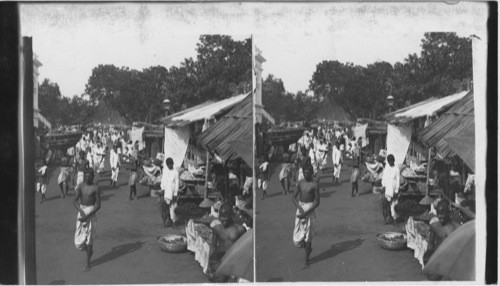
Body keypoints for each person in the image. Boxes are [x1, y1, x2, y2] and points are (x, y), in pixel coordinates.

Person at [209, 202, 247, 282]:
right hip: (221, 262)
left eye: (225, 216)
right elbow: (213, 246)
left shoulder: (240, 229)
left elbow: (244, 249)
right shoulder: (217, 229)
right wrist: (210, 265)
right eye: (220, 216)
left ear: (231, 215)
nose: (222, 219)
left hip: (234, 264)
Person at [424, 199, 460, 280]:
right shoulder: (434, 226)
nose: (439, 216)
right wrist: (427, 262)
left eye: (442, 213)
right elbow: (430, 246)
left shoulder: (457, 227)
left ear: (449, 213)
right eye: (438, 213)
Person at [73, 168, 101, 272]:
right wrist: (81, 211)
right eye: (86, 175)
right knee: (77, 242)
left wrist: (88, 214)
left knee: (89, 240)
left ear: (93, 176)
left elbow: (98, 205)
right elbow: (74, 201)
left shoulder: (96, 188)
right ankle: (89, 251)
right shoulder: (80, 186)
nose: (87, 177)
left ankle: (87, 263)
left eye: (90, 176)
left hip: (91, 212)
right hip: (81, 212)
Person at [292, 164, 320, 269]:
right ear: (302, 172)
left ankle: (306, 260)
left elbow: (317, 201)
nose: (306, 173)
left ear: (312, 172)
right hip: (300, 209)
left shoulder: (314, 184)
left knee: (308, 236)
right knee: (296, 240)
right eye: (304, 171)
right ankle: (308, 248)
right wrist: (300, 208)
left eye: (308, 171)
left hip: (310, 209)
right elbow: (293, 198)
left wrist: (307, 211)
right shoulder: (300, 183)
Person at [159, 157, 180, 227]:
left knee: (173, 208)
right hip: (165, 193)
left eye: (170, 164)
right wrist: (162, 189)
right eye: (168, 164)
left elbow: (177, 183)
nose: (169, 165)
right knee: (164, 208)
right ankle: (166, 222)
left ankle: (174, 222)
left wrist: (175, 193)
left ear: (173, 164)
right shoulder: (165, 172)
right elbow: (163, 181)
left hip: (172, 192)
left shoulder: (175, 173)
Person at [381, 154, 400, 224]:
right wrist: (383, 185)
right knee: (385, 204)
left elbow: (398, 179)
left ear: (393, 161)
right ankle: (387, 218)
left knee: (393, 204)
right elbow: (384, 177)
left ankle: (394, 219)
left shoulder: (396, 169)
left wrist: (396, 190)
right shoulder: (387, 168)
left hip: (393, 188)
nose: (390, 162)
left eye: (391, 161)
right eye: (389, 161)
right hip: (387, 189)